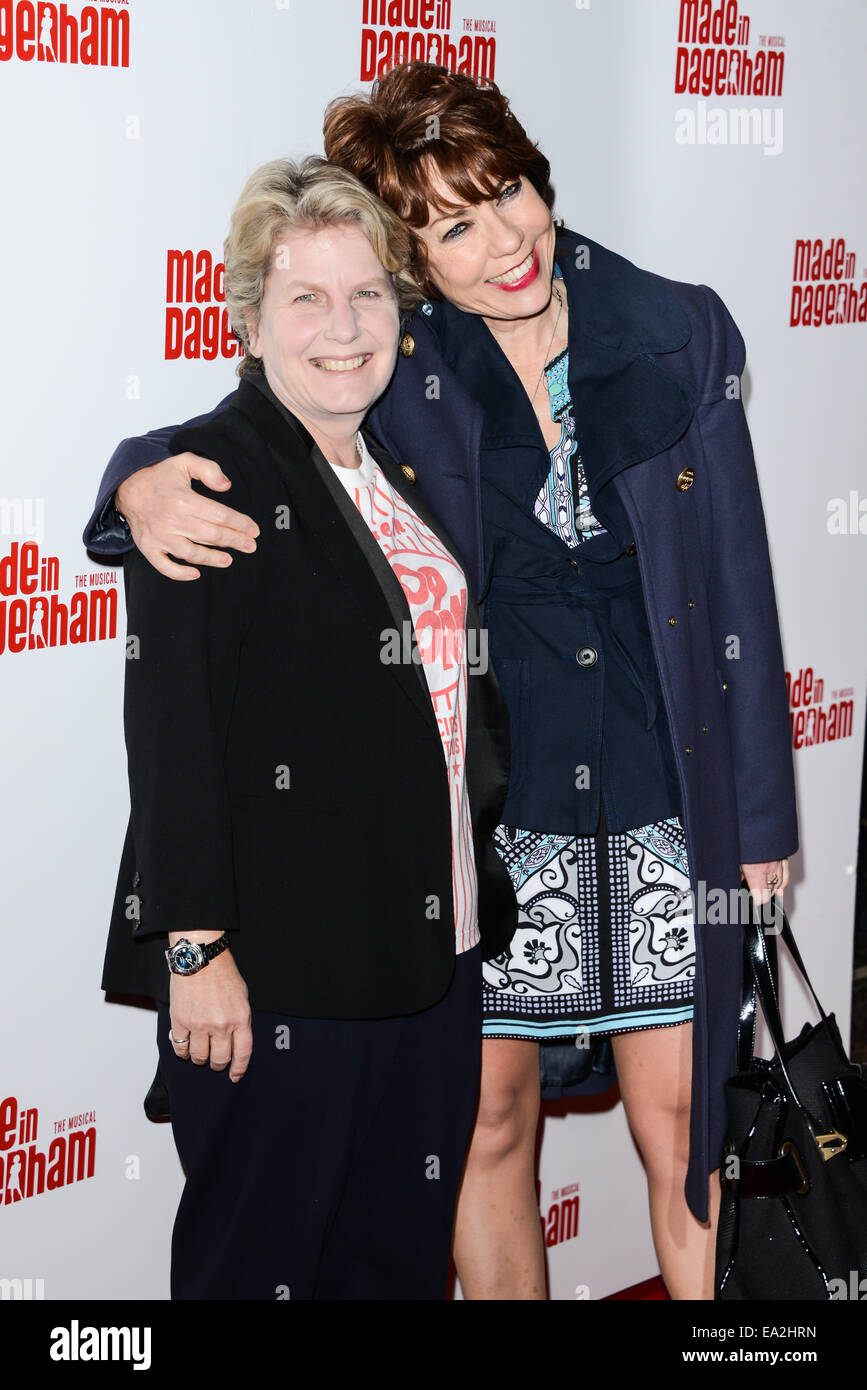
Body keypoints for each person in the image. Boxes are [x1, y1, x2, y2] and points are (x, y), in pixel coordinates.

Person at [87, 65, 797, 1301]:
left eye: (505, 192)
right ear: (415, 260)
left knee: (688, 1139)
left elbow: (741, 578)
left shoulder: (683, 330)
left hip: (661, 786)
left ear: (537, 177)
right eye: (451, 226)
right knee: (485, 1133)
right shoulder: (405, 358)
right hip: (491, 826)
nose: (502, 241)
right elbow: (262, 417)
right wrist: (131, 483)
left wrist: (766, 818)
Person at [100, 153, 516, 1301]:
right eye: (307, 299)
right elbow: (170, 727)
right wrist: (194, 948)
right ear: (250, 319)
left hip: (433, 962)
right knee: (261, 1269)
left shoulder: (395, 467)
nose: (344, 327)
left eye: (367, 294)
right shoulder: (206, 478)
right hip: (277, 979)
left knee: (389, 1268)